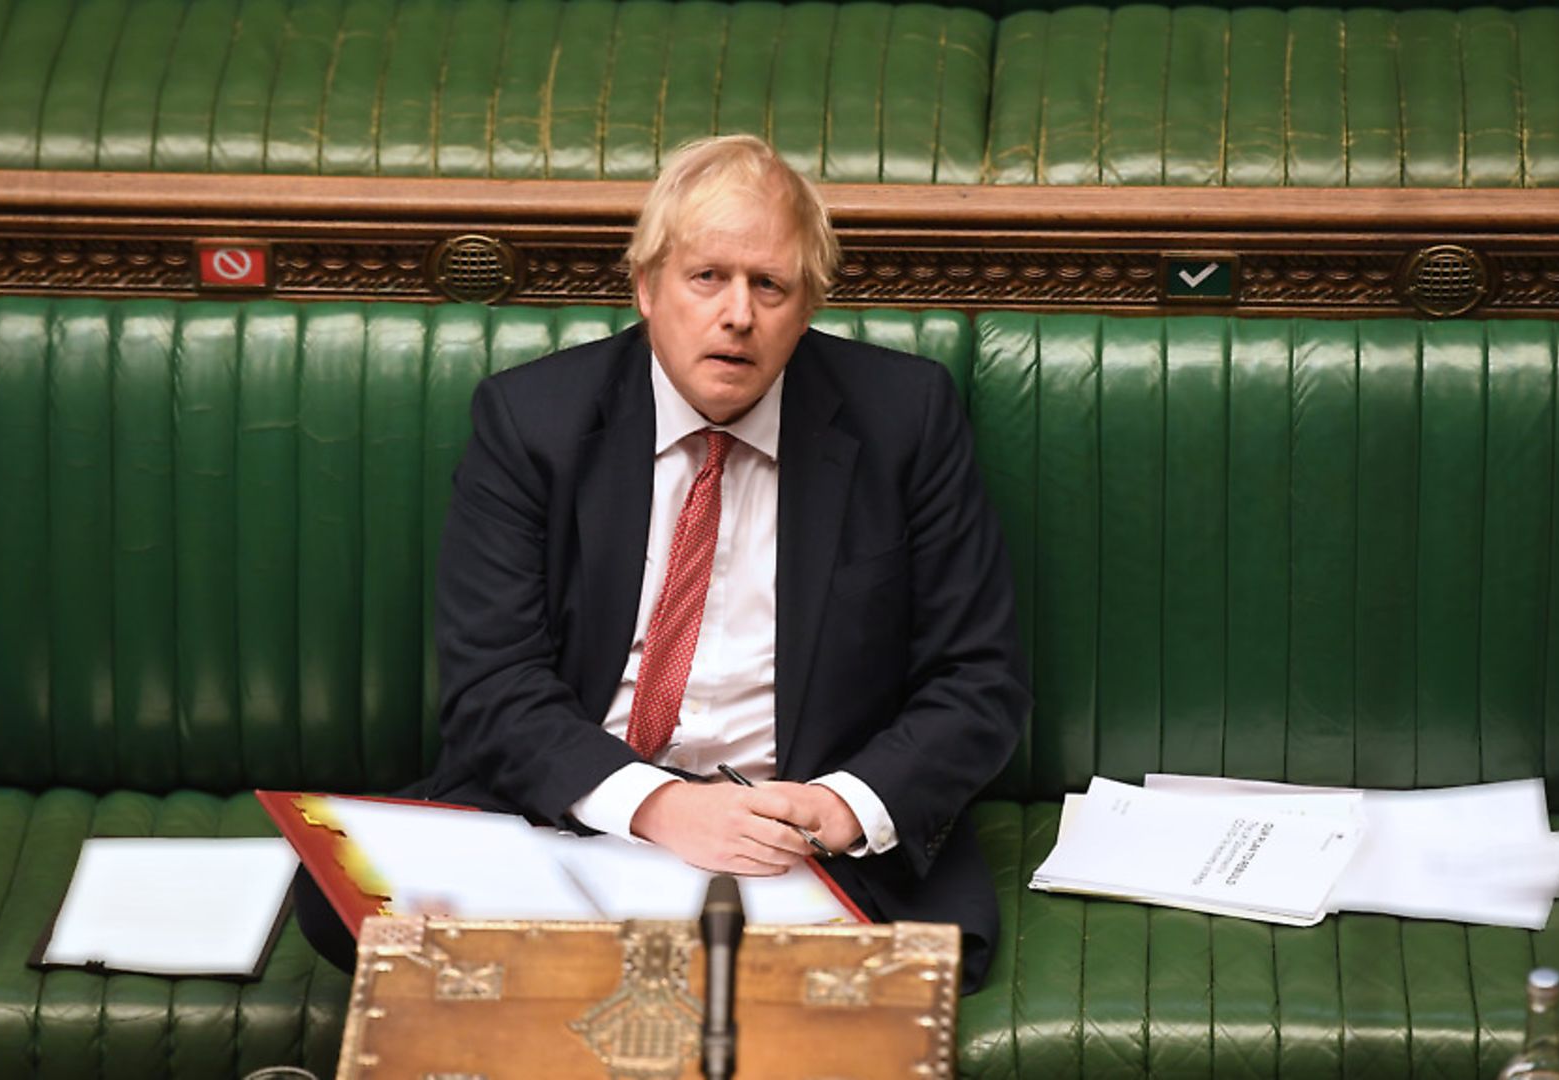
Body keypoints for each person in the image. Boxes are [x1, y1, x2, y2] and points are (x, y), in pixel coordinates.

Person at [295, 134, 1028, 993]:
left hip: (788, 834)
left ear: (809, 304)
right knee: (340, 899)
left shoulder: (905, 418)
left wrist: (838, 806)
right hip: (577, 812)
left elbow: (978, 681)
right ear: (646, 287)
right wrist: (658, 806)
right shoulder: (532, 421)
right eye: (707, 276)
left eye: (771, 285)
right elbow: (492, 685)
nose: (738, 315)